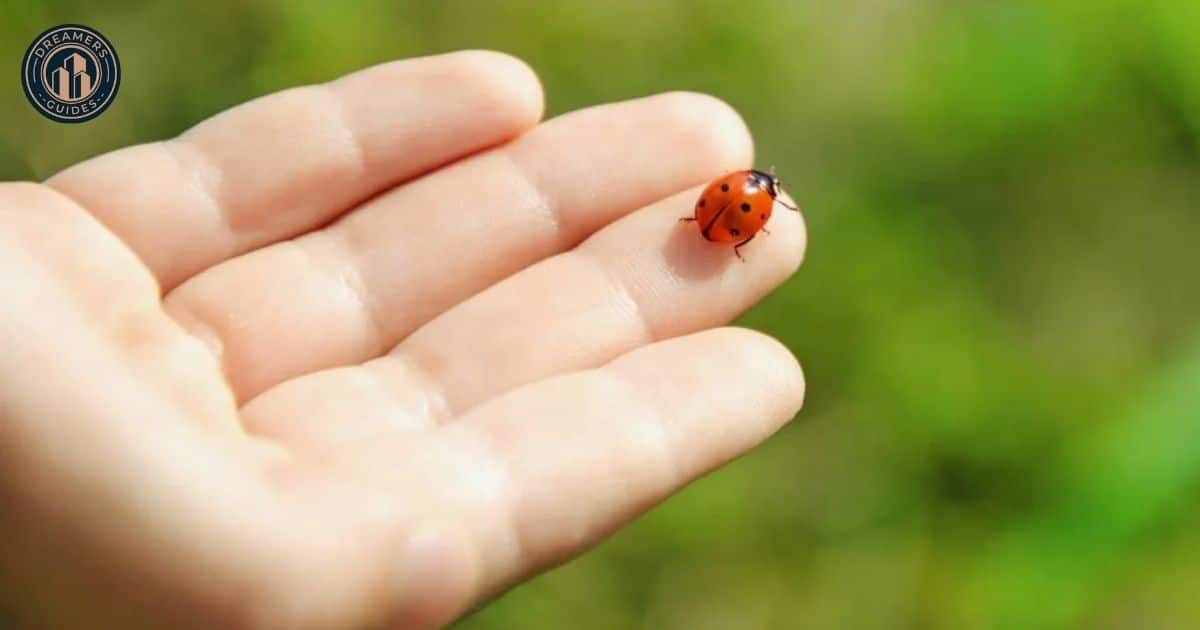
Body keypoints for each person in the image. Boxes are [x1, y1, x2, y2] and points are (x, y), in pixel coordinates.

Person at [0, 50, 806, 629]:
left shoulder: (732, 199)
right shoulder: (739, 206)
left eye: (750, 204)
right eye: (754, 203)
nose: (750, 203)